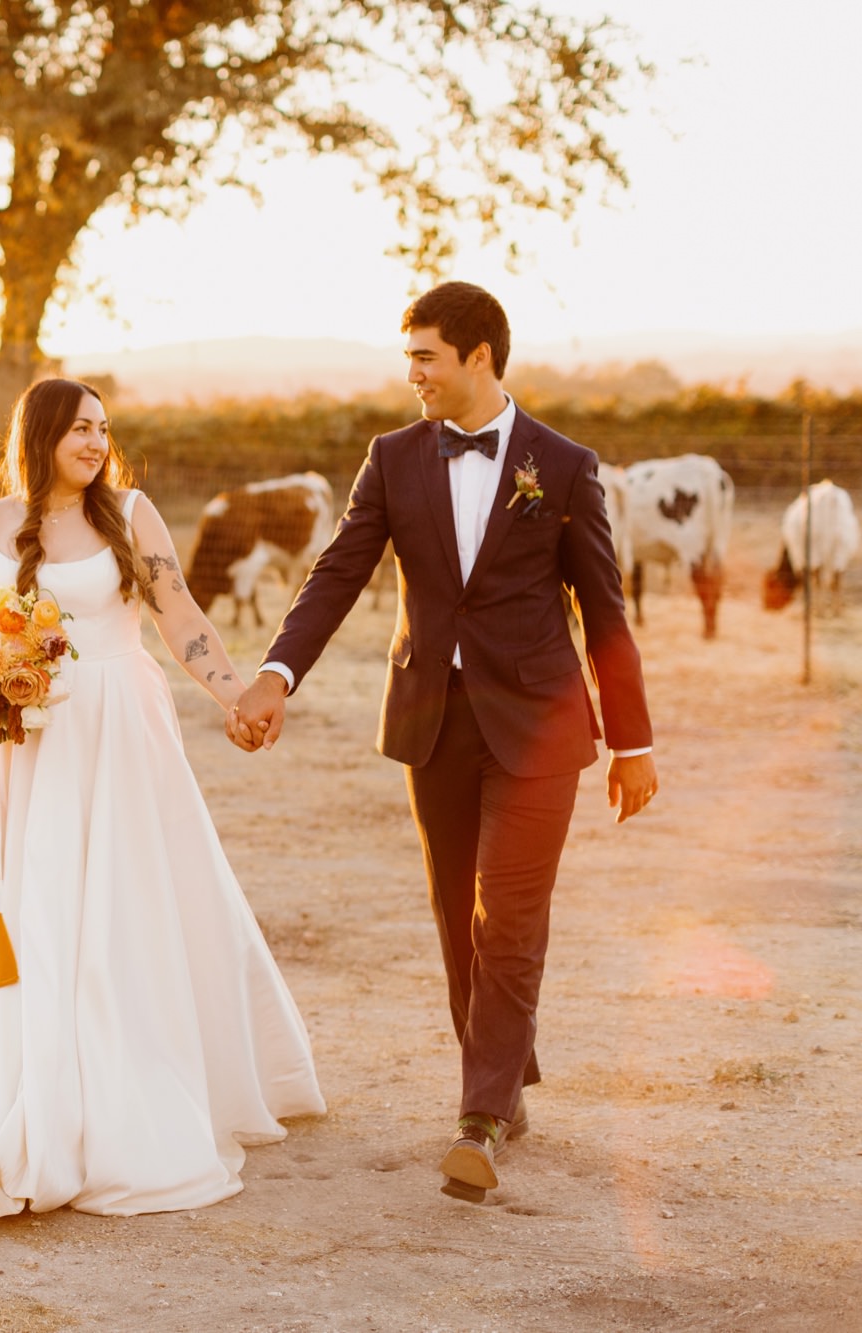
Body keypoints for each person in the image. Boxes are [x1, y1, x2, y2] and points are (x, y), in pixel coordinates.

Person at [230, 281, 657, 1203]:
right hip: (435, 719)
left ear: (479, 357)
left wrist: (633, 741)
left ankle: (479, 1118)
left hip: (542, 721)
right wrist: (277, 674)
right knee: (457, 913)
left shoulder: (565, 464)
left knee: (509, 912)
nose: (411, 374)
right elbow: (337, 573)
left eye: (425, 356)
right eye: (408, 357)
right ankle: (507, 1073)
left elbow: (606, 611)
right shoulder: (391, 460)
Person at [0, 377, 324, 1222]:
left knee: (131, 907)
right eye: (80, 427)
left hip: (124, 729)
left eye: (103, 427)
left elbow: (179, 612)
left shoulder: (132, 512)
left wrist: (236, 694)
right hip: (32, 748)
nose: (96, 441)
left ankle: (135, 1096)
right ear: (42, 432)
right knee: (33, 912)